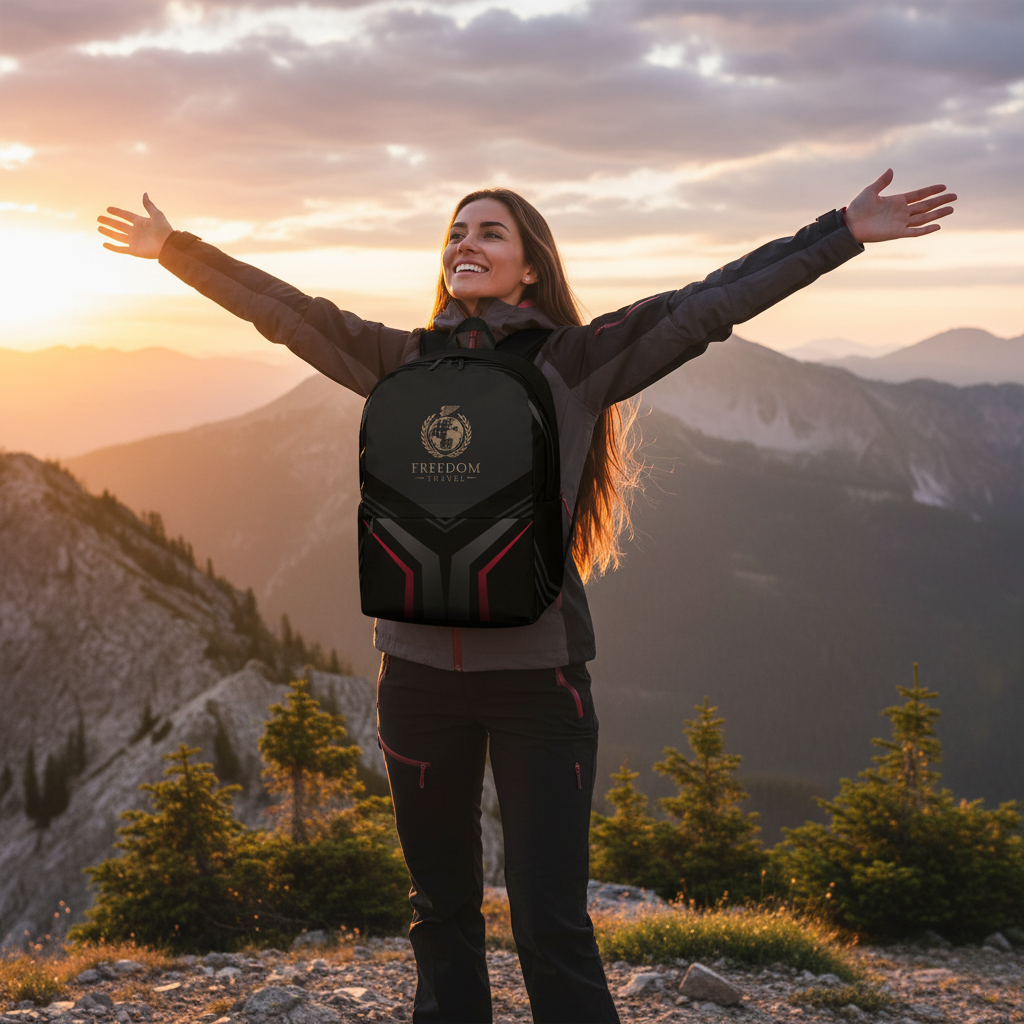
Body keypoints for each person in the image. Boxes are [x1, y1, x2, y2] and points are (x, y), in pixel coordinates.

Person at [98, 171, 956, 1023]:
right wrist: (174, 248)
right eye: (456, 232)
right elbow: (284, 311)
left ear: (530, 266)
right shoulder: (399, 358)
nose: (464, 243)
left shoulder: (574, 361)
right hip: (416, 681)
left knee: (550, 919)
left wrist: (840, 231)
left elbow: (710, 303)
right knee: (439, 915)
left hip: (538, 684)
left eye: (489, 233)